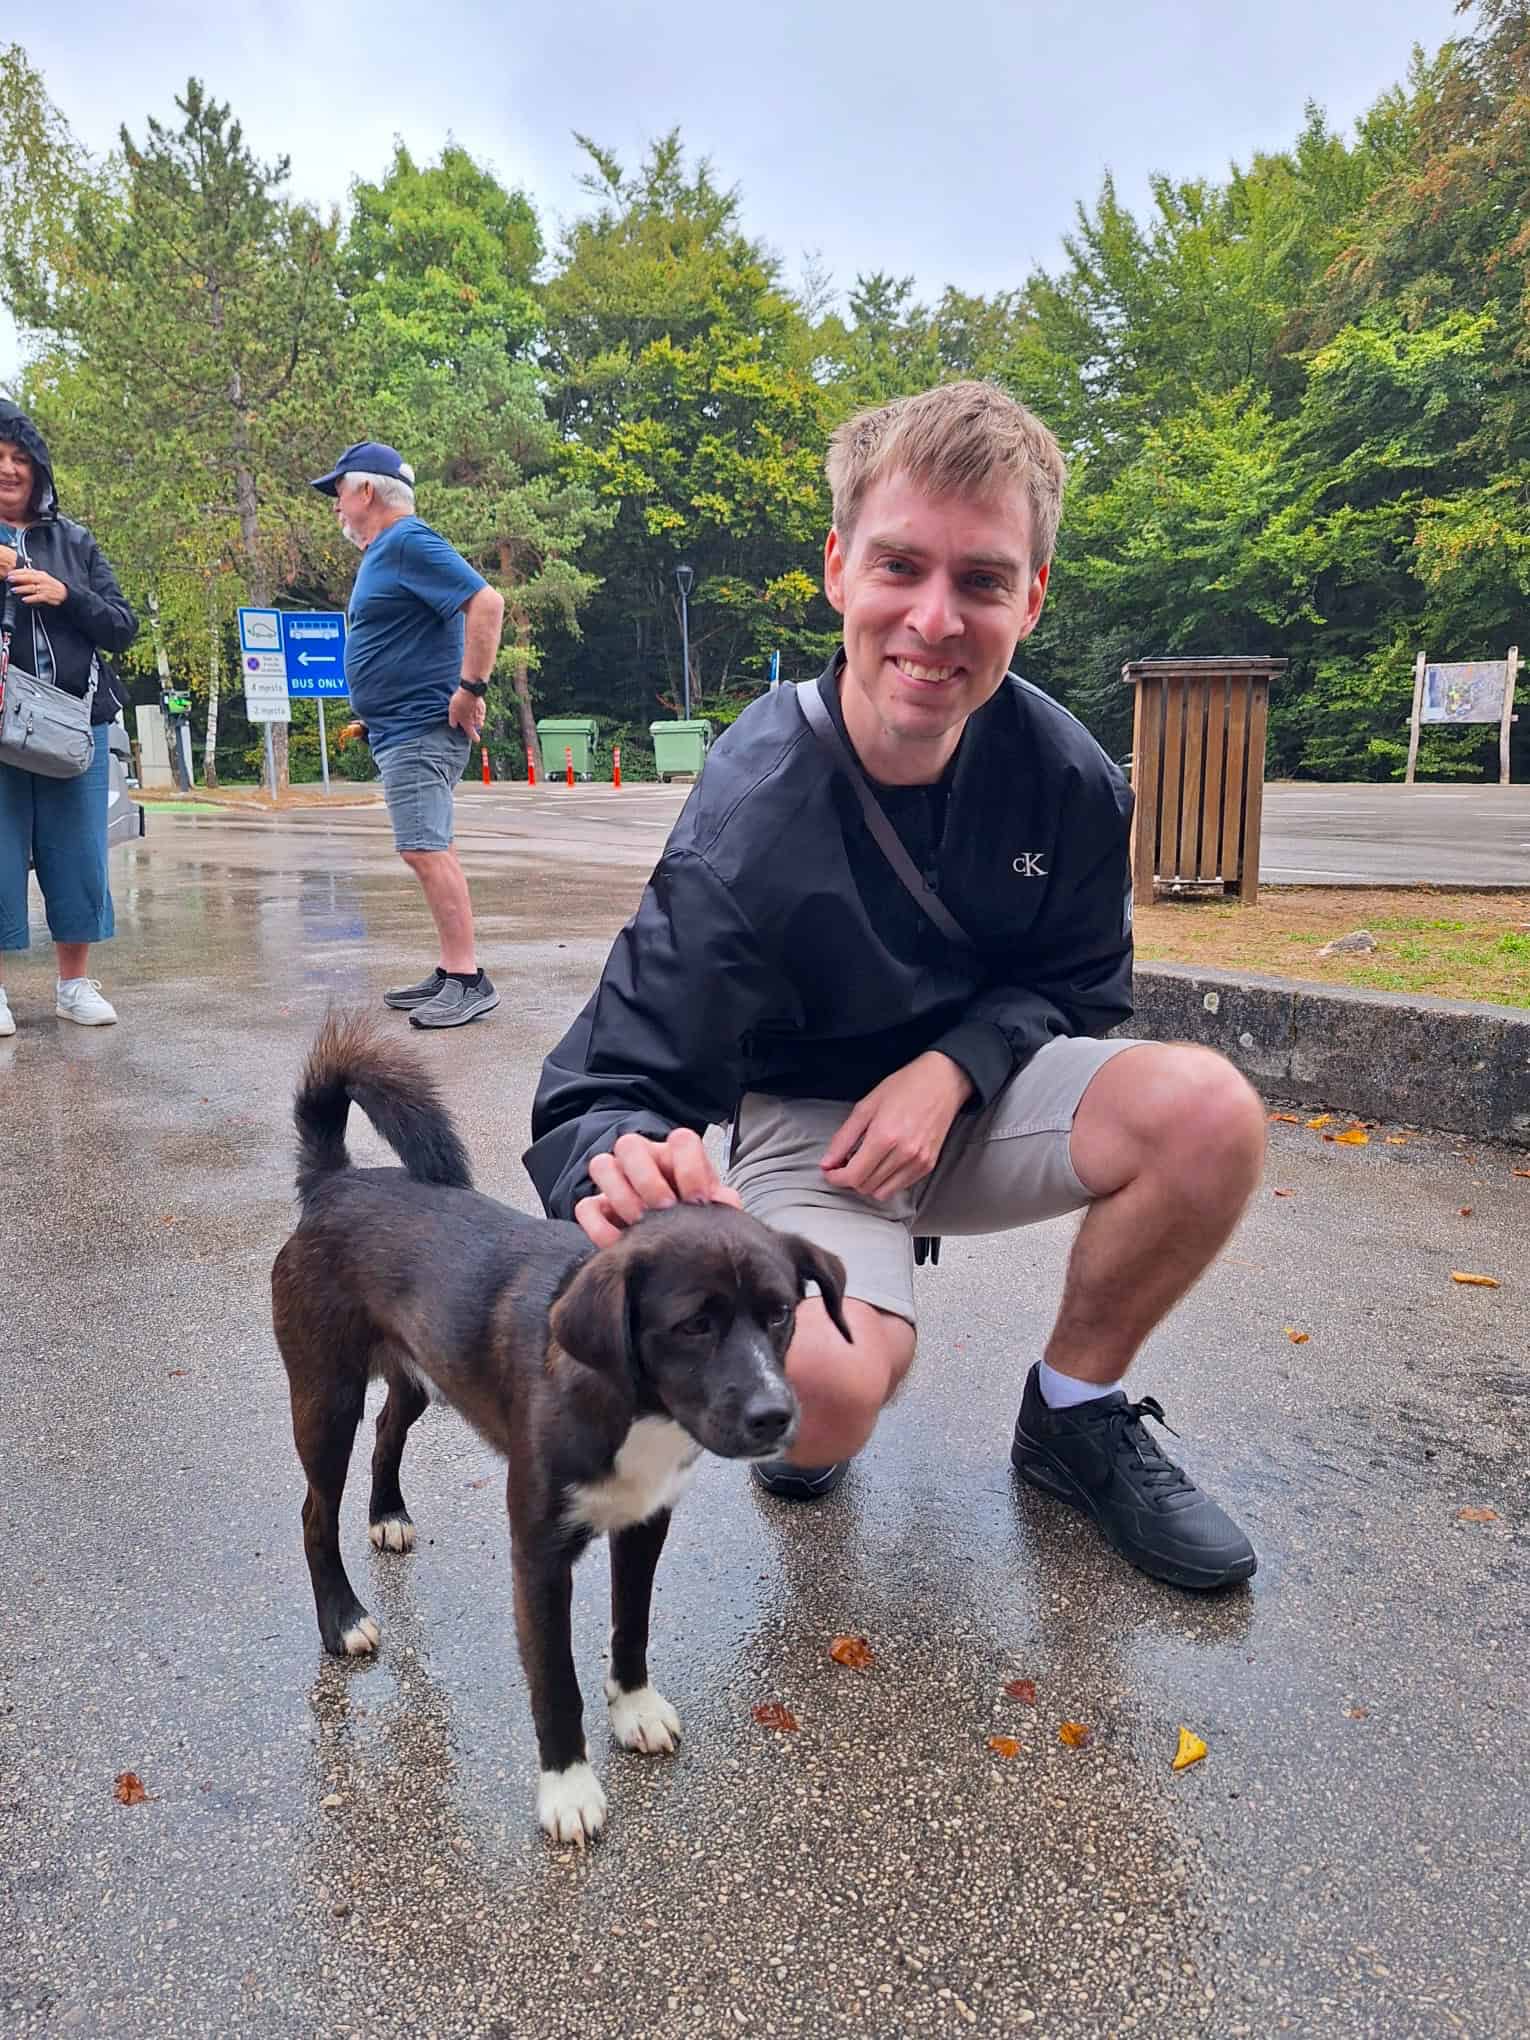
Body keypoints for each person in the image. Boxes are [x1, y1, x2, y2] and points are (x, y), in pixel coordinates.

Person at [525, 380, 1268, 1593]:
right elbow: (605, 1082)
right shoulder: (751, 811)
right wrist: (619, 1161)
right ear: (837, 568)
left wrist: (954, 1068)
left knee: (1210, 1112)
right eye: (900, 566)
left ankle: (1074, 1411)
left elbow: (1081, 987)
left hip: (981, 1100)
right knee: (819, 1397)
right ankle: (812, 1412)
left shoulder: (1071, 780)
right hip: (813, 1133)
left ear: (1032, 597)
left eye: (982, 580)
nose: (935, 619)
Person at [311, 441, 505, 1029]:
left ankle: (467, 979)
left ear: (367, 491)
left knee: (423, 848)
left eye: (339, 493)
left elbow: (487, 603)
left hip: (421, 729)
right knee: (431, 845)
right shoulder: (389, 552)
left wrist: (470, 688)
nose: (336, 506)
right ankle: (451, 970)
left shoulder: (406, 541)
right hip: (401, 727)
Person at [0, 401, 138, 1037]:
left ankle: (74, 986)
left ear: (39, 469)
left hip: (72, 725)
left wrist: (63, 592)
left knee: (78, 856)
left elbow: (121, 627)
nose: (8, 469)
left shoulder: (74, 541)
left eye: (20, 458)